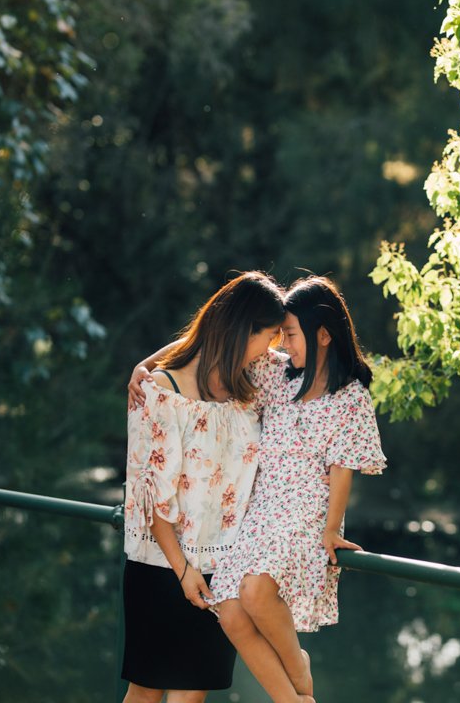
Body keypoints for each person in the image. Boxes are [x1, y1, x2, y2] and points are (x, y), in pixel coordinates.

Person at [121, 271, 313, 703]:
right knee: (146, 692)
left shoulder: (251, 384)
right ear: (240, 330)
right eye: (265, 339)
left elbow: (317, 368)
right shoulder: (159, 392)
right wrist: (184, 572)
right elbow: (149, 494)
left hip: (224, 568)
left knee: (191, 695)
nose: (269, 351)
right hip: (160, 565)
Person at [210, 275, 387, 701]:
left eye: (290, 334)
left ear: (323, 334)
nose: (283, 344)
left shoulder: (350, 396)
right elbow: (215, 344)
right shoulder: (279, 378)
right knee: (230, 610)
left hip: (306, 513)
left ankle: (298, 671)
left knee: (254, 590)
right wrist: (148, 366)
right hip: (263, 509)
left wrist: (331, 529)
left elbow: (343, 468)